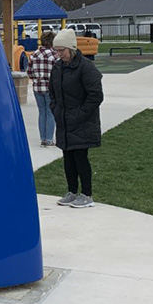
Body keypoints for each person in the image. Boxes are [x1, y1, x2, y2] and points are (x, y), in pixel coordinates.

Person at [49, 28, 104, 208]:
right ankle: (72, 192)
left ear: (71, 49)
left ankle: (87, 195)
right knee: (68, 158)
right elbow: (53, 93)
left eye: (61, 50)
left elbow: (95, 96)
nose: (59, 54)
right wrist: (56, 110)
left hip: (82, 123)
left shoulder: (86, 68)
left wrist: (79, 115)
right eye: (56, 50)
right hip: (64, 121)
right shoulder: (58, 67)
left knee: (80, 158)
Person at [28, 30, 58, 147]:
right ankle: (49, 139)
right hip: (50, 87)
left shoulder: (34, 55)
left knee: (42, 112)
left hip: (37, 86)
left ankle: (43, 139)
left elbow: (29, 72)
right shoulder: (54, 56)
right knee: (50, 112)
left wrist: (36, 79)